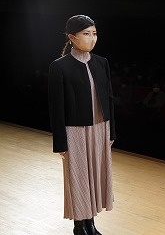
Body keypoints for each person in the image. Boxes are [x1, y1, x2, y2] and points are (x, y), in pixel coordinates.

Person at [48, 15, 116, 235]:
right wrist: (60, 142)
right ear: (72, 37)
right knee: (78, 177)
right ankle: (80, 226)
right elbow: (56, 107)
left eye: (94, 33)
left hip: (100, 128)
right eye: (86, 34)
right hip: (74, 131)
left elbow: (109, 98)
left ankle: (91, 224)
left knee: (95, 176)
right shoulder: (59, 66)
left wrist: (111, 131)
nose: (92, 38)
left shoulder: (101, 62)